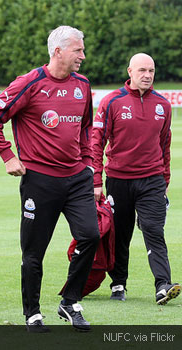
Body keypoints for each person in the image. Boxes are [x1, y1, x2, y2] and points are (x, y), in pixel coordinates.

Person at [0, 26, 99, 332]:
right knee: (34, 252)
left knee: (90, 236)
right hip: (40, 181)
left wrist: (88, 164)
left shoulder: (83, 85)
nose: (83, 56)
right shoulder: (30, 82)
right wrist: (7, 155)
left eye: (82, 50)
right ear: (58, 51)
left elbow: (86, 128)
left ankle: (70, 301)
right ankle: (32, 313)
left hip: (77, 179)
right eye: (78, 50)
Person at [92, 53, 179, 305]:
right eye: (142, 70)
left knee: (154, 230)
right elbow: (97, 143)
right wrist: (96, 180)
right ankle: (118, 283)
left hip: (152, 180)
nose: (147, 75)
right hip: (118, 180)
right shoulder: (112, 102)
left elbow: (165, 146)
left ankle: (163, 284)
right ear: (129, 71)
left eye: (151, 71)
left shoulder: (163, 105)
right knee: (120, 233)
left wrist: (164, 182)